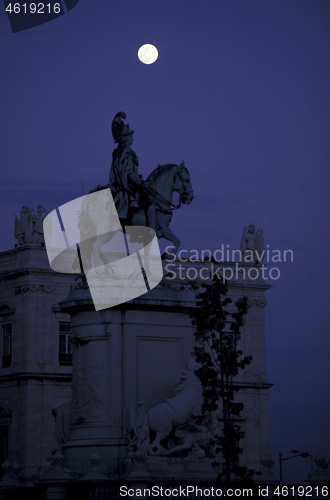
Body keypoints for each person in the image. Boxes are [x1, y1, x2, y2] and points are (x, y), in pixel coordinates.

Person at [109, 112, 157, 231]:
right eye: (130, 136)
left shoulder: (119, 153)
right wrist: (140, 183)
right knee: (151, 205)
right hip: (127, 189)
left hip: (118, 187)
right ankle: (152, 233)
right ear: (126, 138)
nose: (132, 138)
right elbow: (129, 173)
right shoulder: (127, 154)